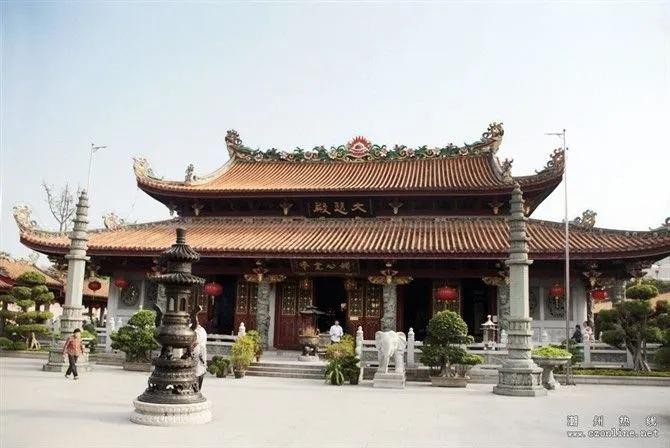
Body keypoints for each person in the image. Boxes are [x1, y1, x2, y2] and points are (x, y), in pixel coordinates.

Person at [192, 324, 208, 391]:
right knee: (199, 371)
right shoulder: (202, 330)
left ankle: (197, 390)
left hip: (198, 353)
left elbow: (196, 342)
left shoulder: (198, 330)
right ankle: (197, 389)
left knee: (198, 372)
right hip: (200, 353)